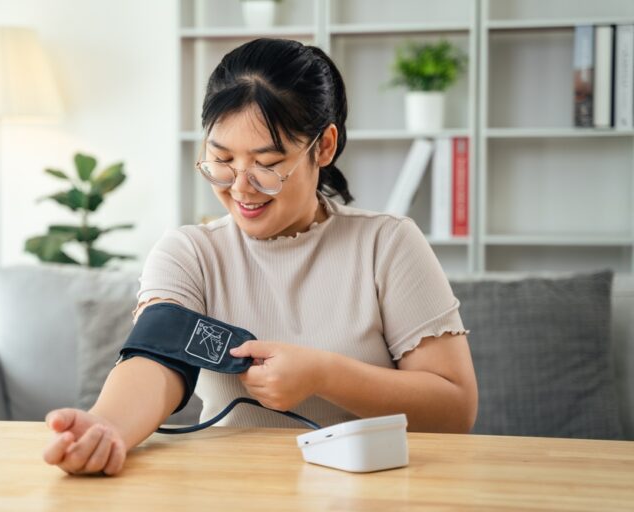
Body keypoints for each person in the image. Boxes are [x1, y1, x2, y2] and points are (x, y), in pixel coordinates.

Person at [42, 38, 478, 477]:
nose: (240, 188)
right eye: (221, 159)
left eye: (266, 164)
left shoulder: (388, 244)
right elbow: (156, 360)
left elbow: (455, 411)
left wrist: (325, 375)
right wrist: (107, 426)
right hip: (231, 488)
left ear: (324, 146)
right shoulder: (190, 253)